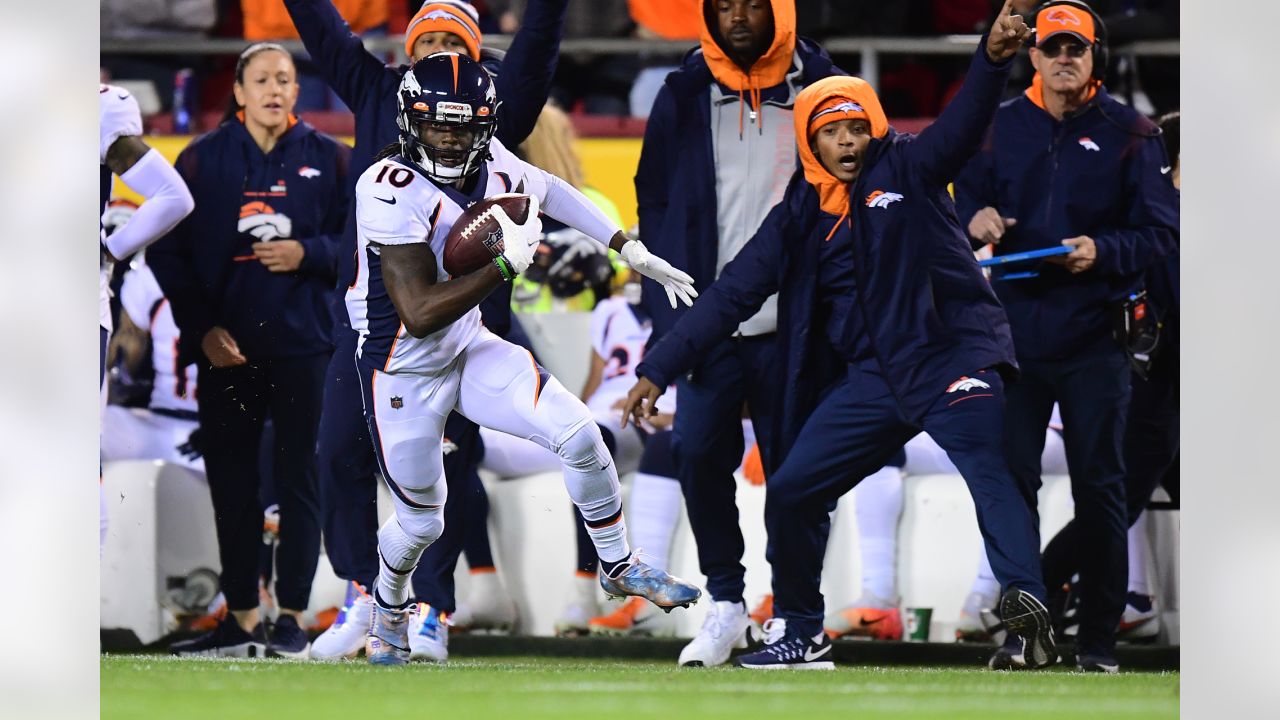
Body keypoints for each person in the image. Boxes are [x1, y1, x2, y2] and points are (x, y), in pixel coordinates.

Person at [624, 4, 1054, 671]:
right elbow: (733, 293)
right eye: (833, 133)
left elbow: (963, 129)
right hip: (873, 380)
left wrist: (992, 60)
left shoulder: (908, 168)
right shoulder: (797, 210)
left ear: (877, 130)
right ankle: (802, 630)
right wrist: (658, 366)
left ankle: (1026, 614)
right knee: (793, 490)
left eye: (859, 128)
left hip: (950, 359)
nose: (849, 143)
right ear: (809, 143)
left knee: (993, 472)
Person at [350, 53, 700, 666]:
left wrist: (629, 248)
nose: (452, 137)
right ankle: (387, 607)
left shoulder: (496, 165)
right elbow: (418, 311)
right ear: (412, 120)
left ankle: (617, 563)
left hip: (468, 345)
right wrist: (506, 265)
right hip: (401, 367)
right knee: (421, 524)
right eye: (438, 124)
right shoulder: (386, 186)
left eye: (464, 125)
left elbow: (552, 189)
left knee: (582, 434)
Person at [282, 0, 569, 663]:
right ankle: (364, 593)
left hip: (458, 324)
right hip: (371, 324)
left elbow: (536, 49)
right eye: (426, 39)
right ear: (408, 51)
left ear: (474, 53)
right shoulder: (378, 89)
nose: (437, 49)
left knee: (447, 470)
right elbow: (323, 30)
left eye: (452, 40)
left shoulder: (498, 102)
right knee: (337, 454)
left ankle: (432, 609)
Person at [953, 0, 1179, 673]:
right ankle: (1026, 636)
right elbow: (956, 203)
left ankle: (1098, 646)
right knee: (1011, 489)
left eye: (1075, 49)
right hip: (1014, 339)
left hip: (1094, 339)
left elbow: (1159, 234)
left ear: (1094, 57)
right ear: (1033, 55)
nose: (1063, 59)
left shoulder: (1133, 133)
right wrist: (975, 217)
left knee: (1101, 490)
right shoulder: (997, 128)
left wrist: (1101, 253)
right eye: (1052, 48)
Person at [633, 0, 850, 668]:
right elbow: (654, 201)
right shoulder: (684, 89)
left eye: (753, 4)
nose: (737, 17)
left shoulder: (819, 80)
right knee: (696, 454)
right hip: (711, 318)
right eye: (723, 5)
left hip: (799, 323)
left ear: (778, 9)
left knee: (799, 479)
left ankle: (797, 616)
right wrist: (671, 317)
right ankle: (727, 604)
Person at [149, 43, 351, 659]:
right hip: (225, 348)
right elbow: (166, 250)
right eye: (260, 79)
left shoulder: (333, 161)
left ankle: (290, 615)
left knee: (299, 482)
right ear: (236, 92)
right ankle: (239, 617)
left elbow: (365, 243)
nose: (273, 89)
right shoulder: (200, 161)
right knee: (232, 484)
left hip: (304, 346)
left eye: (285, 79)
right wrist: (200, 328)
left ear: (297, 91)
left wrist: (307, 253)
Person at [1035, 109, 1181, 647]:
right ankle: (1044, 591)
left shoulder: (1165, 214)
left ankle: (1055, 594)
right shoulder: (1166, 219)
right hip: (1151, 389)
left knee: (1114, 508)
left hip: (1160, 390)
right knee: (1111, 509)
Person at [99, 84, 195, 552]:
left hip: (181, 424)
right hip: (169, 423)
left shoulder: (142, 283)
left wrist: (107, 252)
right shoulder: (147, 282)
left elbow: (123, 357)